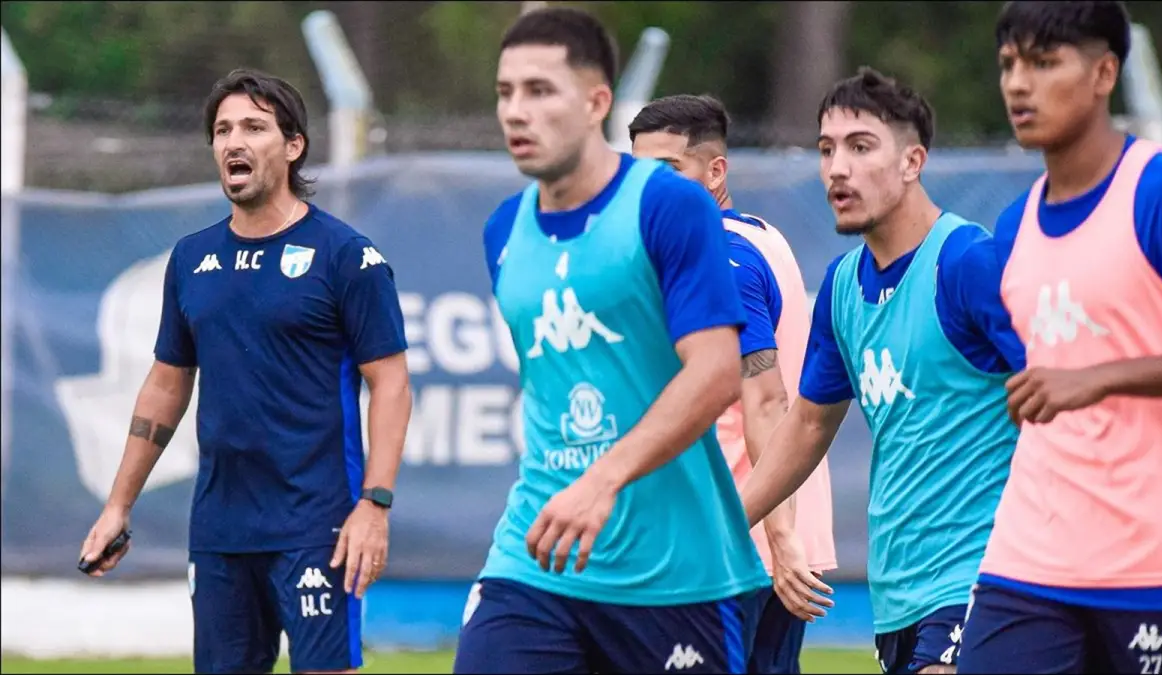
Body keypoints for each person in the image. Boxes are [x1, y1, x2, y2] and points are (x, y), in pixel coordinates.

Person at [453, 8, 770, 674]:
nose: (516, 110)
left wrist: (603, 479)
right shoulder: (503, 231)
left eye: (540, 91)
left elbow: (715, 374)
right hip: (536, 556)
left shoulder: (667, 205)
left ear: (598, 101)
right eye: (506, 92)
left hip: (675, 572)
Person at [77, 69, 413, 674]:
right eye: (223, 129)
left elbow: (391, 383)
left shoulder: (346, 257)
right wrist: (117, 506)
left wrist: (375, 505)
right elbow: (166, 383)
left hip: (319, 523)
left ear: (293, 146)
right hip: (220, 527)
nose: (234, 141)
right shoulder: (190, 258)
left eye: (254, 127)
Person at [738, 67, 1029, 675]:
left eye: (860, 146)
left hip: (984, 574)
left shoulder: (968, 264)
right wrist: (723, 522)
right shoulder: (844, 287)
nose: (836, 168)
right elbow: (809, 426)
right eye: (826, 150)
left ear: (912, 161)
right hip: (898, 593)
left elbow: (1061, 398)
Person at [957, 2, 1162, 673]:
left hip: (1159, 563)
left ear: (1103, 73)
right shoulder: (1011, 231)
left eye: (1043, 62)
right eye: (1008, 64)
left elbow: (1079, 378)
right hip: (1029, 557)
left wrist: (1099, 376)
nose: (1017, 84)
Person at [628, 93, 837, 674]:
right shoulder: (761, 236)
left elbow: (766, 401)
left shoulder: (721, 256)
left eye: (667, 171)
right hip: (759, 538)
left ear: (715, 171)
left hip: (735, 544)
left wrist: (780, 536)